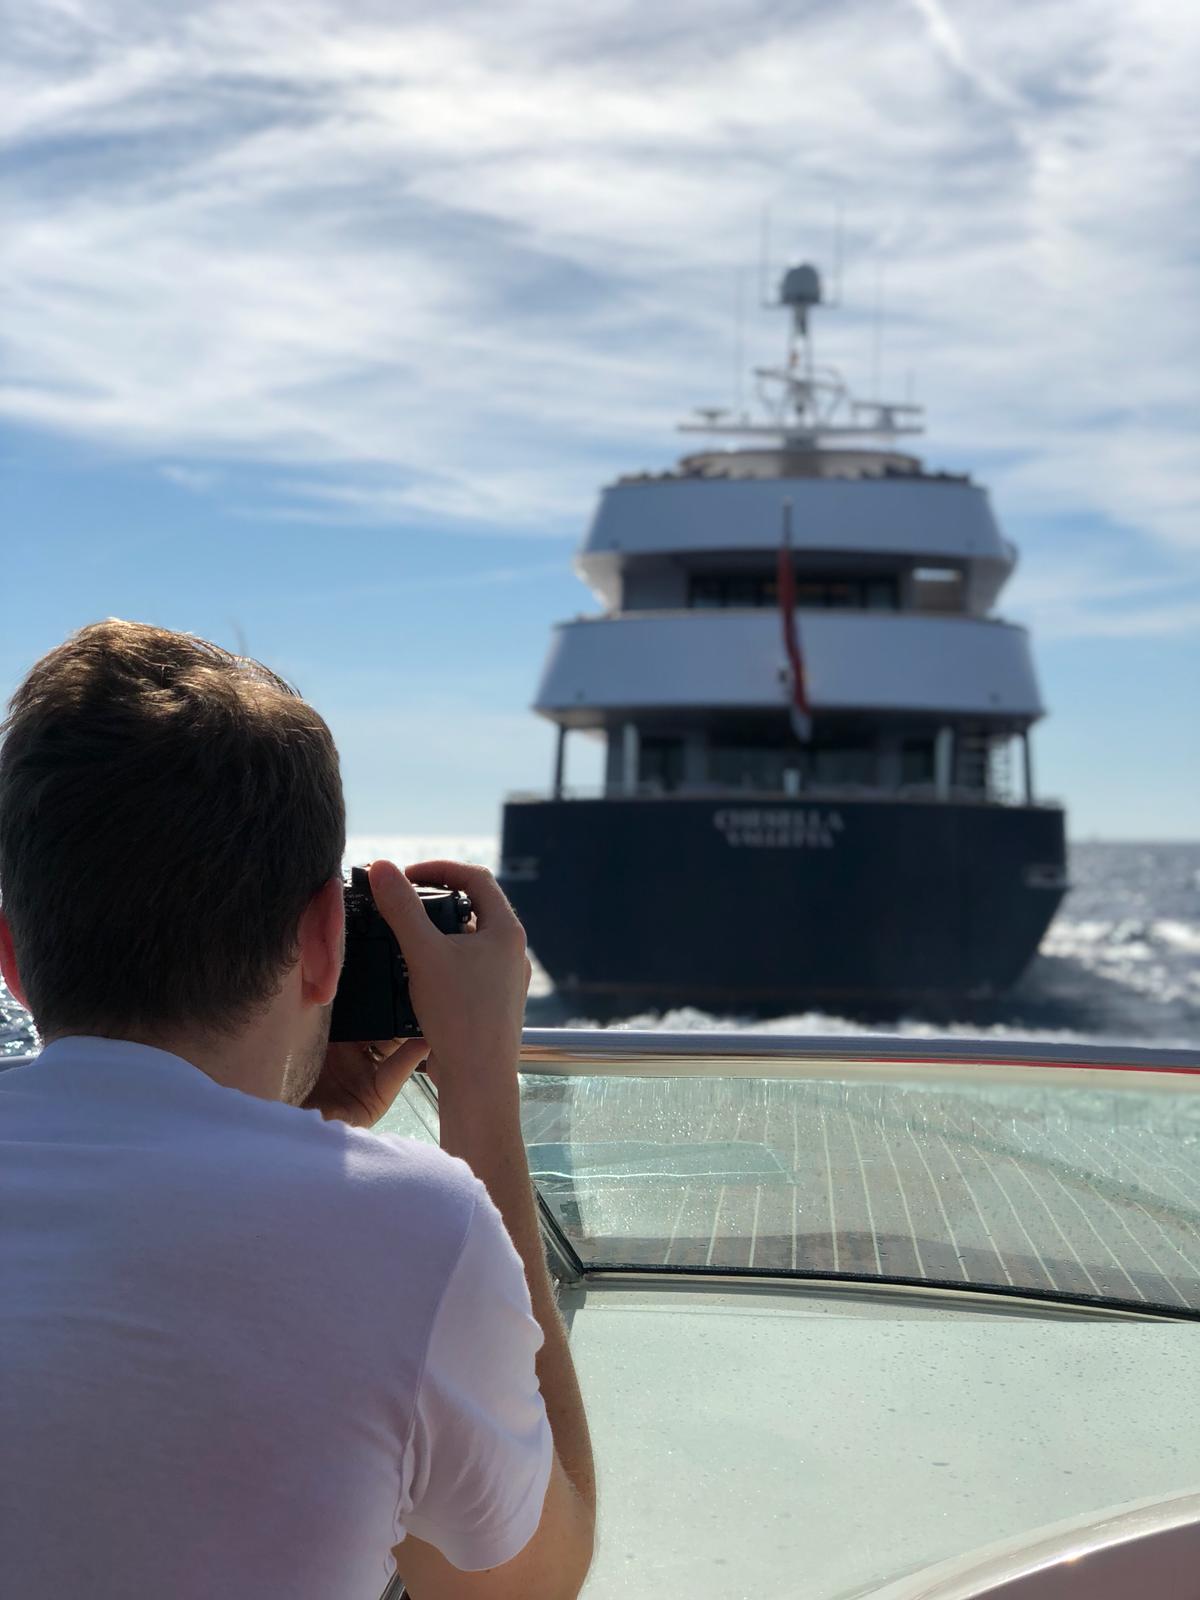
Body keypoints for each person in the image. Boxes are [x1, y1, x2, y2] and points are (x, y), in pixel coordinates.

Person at [0, 620, 595, 1599]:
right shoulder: (411, 1232)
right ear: (326, 939)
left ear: (14, 960)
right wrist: (481, 1086)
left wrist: (320, 1135)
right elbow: (524, 1584)